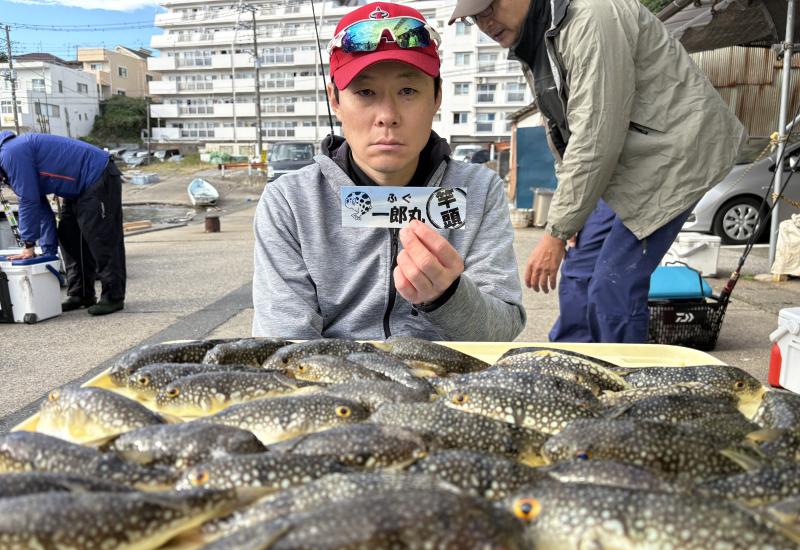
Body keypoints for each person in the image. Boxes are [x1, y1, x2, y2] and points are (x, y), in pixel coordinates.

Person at [449, 0, 745, 343]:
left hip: (674, 157)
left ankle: (623, 386)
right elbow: (564, 135)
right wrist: (573, 214)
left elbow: (595, 136)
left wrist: (556, 232)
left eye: (489, 7)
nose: (484, 22)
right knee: (578, 273)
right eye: (474, 17)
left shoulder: (592, 17)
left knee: (613, 284)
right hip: (621, 164)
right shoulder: (536, 41)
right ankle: (573, 367)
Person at [252, 2, 524, 341]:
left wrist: (448, 297)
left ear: (437, 96)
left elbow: (502, 332)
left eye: (408, 90)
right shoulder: (290, 203)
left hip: (449, 387)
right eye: (365, 92)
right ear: (334, 99)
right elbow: (285, 346)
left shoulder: (479, 190)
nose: (387, 115)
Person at [0, 132, 126, 316]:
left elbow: (28, 201)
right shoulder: (9, 162)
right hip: (76, 188)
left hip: (97, 174)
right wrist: (47, 253)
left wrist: (28, 244)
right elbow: (41, 208)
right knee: (69, 236)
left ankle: (113, 297)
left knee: (101, 238)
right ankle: (81, 294)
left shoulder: (10, 154)